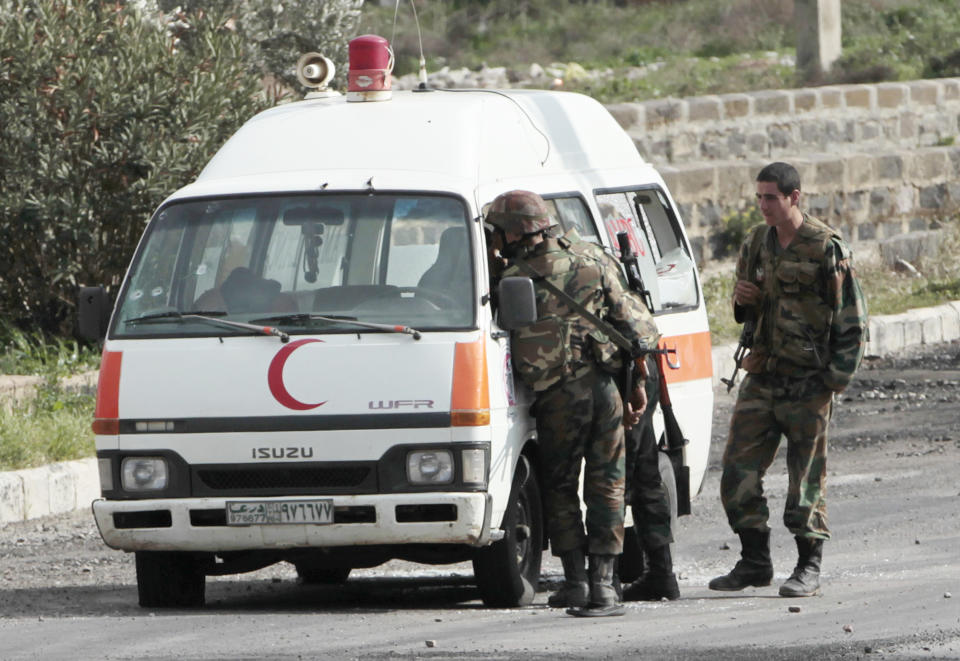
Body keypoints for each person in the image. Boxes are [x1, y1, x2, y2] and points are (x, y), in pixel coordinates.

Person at [486, 190, 659, 617]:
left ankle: (577, 582)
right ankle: (604, 586)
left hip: (558, 397)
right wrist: (637, 383)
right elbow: (636, 327)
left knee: (559, 486)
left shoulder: (509, 279)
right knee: (608, 485)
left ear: (511, 233)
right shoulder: (591, 258)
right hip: (605, 392)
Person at [709, 162, 867, 598]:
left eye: (771, 198)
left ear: (795, 197)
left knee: (806, 479)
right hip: (762, 375)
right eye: (759, 197)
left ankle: (807, 566)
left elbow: (852, 319)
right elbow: (745, 309)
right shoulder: (756, 242)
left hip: (807, 382)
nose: (763, 206)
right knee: (737, 471)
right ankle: (755, 561)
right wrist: (745, 302)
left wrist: (833, 381)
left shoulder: (824, 246)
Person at [620, 355, 680, 602]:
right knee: (645, 478)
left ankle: (603, 582)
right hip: (639, 371)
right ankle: (661, 574)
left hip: (628, 376)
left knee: (615, 480)